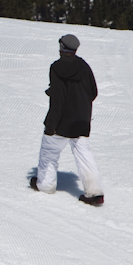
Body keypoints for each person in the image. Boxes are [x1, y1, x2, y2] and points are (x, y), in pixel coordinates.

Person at [30, 33, 105, 206]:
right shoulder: (84, 66)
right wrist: (80, 107)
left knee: (49, 152)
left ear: (62, 48)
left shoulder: (56, 67)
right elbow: (93, 92)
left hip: (61, 122)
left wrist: (51, 126)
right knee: (84, 155)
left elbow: (58, 100)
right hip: (81, 121)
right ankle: (95, 193)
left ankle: (46, 185)